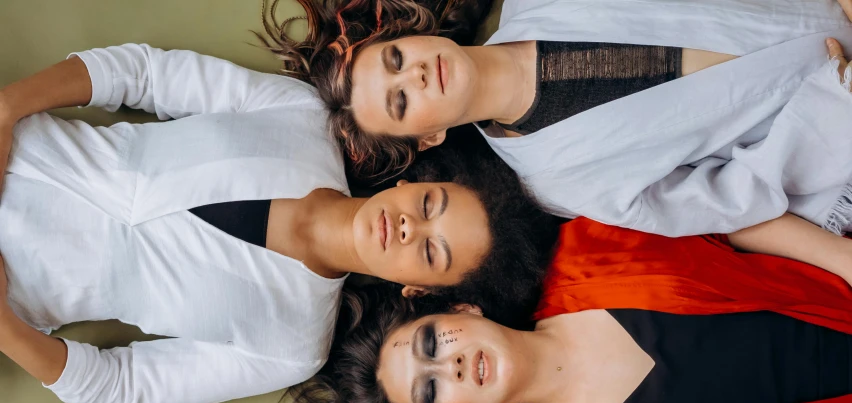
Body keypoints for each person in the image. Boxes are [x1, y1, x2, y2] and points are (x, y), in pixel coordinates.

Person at [0, 43, 555, 403]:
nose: (411, 228)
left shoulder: (292, 347)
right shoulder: (298, 113)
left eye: (433, 252)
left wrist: (4, 327)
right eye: (430, 204)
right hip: (18, 152)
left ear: (422, 291)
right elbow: (142, 74)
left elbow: (123, 386)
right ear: (405, 185)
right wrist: (7, 106)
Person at [247, 233, 852, 403]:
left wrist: (842, 259)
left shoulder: (586, 246)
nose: (447, 366)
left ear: (461, 311)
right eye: (429, 390)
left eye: (430, 344)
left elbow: (737, 220)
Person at [266, 0, 852, 238]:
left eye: (395, 59)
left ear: (413, 33)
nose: (413, 75)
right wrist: (834, 99)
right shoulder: (556, 178)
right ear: (428, 135)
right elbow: (723, 199)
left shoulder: (538, 2)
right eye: (399, 101)